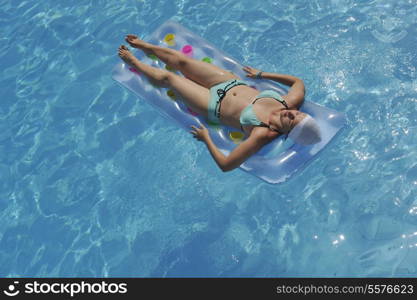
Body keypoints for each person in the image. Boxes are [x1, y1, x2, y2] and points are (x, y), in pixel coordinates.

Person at [118, 35, 321, 172]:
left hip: (212, 104)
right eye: (298, 114)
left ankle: (134, 63)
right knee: (182, 62)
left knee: (168, 79)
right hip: (228, 82)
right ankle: (145, 46)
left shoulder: (261, 134)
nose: (292, 114)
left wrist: (207, 138)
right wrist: (262, 74)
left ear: (289, 133)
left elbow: (226, 165)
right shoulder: (289, 102)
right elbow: (298, 82)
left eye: (293, 120)